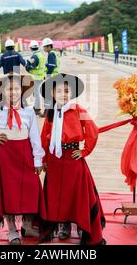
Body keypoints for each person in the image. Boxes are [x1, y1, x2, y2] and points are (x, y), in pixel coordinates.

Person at [0, 73, 46, 245]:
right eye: (9, 88)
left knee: (32, 188)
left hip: (25, 154)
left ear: (22, 91)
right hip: (5, 155)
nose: (13, 92)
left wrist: (38, 160)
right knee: (8, 191)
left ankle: (28, 225)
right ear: (2, 91)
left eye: (17, 88)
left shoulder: (28, 111)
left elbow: (35, 137)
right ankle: (12, 229)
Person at [39, 73, 106, 245]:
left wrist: (85, 151)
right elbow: (44, 136)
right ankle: (63, 225)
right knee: (57, 195)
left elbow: (93, 129)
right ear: (52, 94)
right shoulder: (51, 112)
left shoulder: (78, 109)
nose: (63, 94)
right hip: (55, 160)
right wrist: (44, 159)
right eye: (59, 91)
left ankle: (78, 227)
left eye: (67, 91)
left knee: (75, 194)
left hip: (72, 158)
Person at [25, 40, 45, 116]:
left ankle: (37, 109)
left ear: (31, 48)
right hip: (40, 77)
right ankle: (36, 107)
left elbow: (31, 66)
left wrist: (27, 66)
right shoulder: (40, 55)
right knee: (36, 93)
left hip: (36, 77)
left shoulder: (35, 56)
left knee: (36, 94)